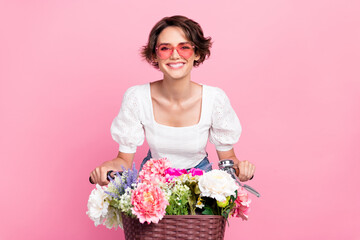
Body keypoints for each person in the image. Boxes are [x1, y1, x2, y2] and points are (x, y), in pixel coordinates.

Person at [90, 15, 256, 186]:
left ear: (197, 53)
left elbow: (228, 158)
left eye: (184, 47)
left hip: (201, 186)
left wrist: (241, 168)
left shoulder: (215, 99)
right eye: (165, 48)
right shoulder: (137, 97)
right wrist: (107, 167)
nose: (175, 55)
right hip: (152, 186)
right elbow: (123, 161)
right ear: (155, 56)